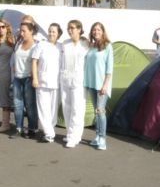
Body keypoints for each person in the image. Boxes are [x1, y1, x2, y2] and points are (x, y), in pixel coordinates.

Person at [60, 20, 90, 148]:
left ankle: (75, 137)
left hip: (79, 80)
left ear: (79, 29)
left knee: (77, 109)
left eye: (72, 28)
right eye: (69, 28)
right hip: (65, 78)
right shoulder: (65, 44)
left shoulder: (85, 45)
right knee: (66, 107)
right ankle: (70, 133)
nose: (70, 30)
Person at [85, 22, 113, 151]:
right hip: (91, 84)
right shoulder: (91, 46)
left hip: (102, 85)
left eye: (98, 30)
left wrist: (105, 85)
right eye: (94, 30)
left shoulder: (108, 46)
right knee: (97, 112)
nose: (96, 32)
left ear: (103, 31)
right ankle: (97, 136)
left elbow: (109, 69)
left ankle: (103, 138)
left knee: (101, 111)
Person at [32, 23, 62, 143]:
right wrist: (35, 78)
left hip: (56, 83)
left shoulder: (61, 47)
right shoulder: (41, 44)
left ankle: (49, 130)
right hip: (42, 82)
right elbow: (34, 61)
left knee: (53, 110)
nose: (51, 33)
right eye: (50, 31)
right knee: (43, 109)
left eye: (54, 31)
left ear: (58, 33)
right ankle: (49, 134)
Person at [11, 22, 39, 139]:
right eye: (20, 31)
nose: (21, 33)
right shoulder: (19, 43)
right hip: (17, 77)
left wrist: (34, 77)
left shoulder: (36, 46)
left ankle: (32, 128)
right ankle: (19, 128)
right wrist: (13, 70)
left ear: (31, 31)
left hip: (28, 77)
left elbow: (38, 63)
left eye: (24, 31)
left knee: (29, 104)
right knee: (17, 104)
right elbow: (14, 58)